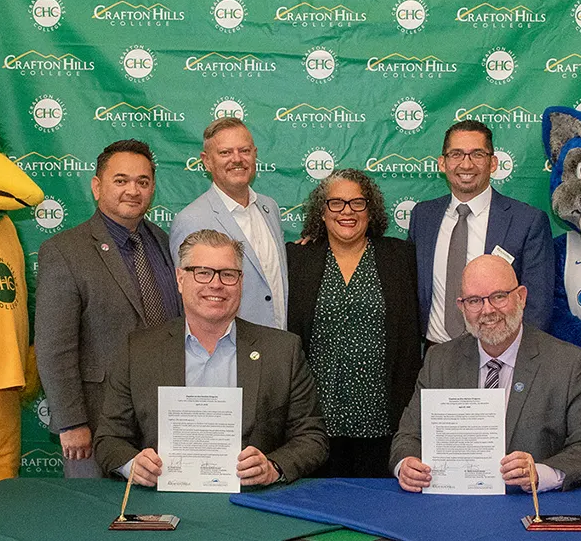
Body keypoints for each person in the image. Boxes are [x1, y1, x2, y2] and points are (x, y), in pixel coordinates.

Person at [94, 229, 328, 486]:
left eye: (228, 274)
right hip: (162, 501)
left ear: (240, 282)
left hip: (252, 504)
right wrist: (133, 465)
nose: (215, 284)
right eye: (203, 273)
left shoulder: (283, 351)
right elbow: (109, 439)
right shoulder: (139, 350)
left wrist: (273, 467)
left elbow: (312, 438)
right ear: (180, 279)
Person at [390, 255, 581, 493]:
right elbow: (408, 436)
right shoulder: (439, 361)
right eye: (474, 301)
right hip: (454, 507)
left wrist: (541, 474)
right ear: (462, 307)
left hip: (532, 508)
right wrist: (406, 465)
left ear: (521, 297)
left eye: (498, 297)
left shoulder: (569, 364)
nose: (487, 310)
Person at [35, 140, 182, 478]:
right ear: (97, 186)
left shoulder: (163, 241)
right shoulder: (64, 251)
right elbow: (54, 347)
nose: (133, 190)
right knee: (93, 519)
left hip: (163, 418)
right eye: (121, 180)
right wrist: (72, 423)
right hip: (97, 423)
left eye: (143, 182)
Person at [286, 169, 422, 478]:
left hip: (383, 419)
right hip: (315, 423)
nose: (347, 211)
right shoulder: (297, 259)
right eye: (336, 203)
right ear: (322, 213)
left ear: (370, 211)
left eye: (357, 203)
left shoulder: (400, 258)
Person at [408, 120, 554, 348]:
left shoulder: (527, 221)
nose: (466, 165)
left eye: (477, 154)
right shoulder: (423, 217)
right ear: (442, 163)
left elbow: (538, 306)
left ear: (493, 163)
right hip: (434, 354)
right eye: (456, 154)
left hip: (497, 352)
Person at [169, 117, 287, 329]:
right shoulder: (190, 220)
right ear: (206, 161)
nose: (237, 159)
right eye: (225, 153)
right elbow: (188, 300)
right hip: (228, 348)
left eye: (244, 151)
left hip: (278, 345)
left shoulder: (270, 208)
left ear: (255, 154)